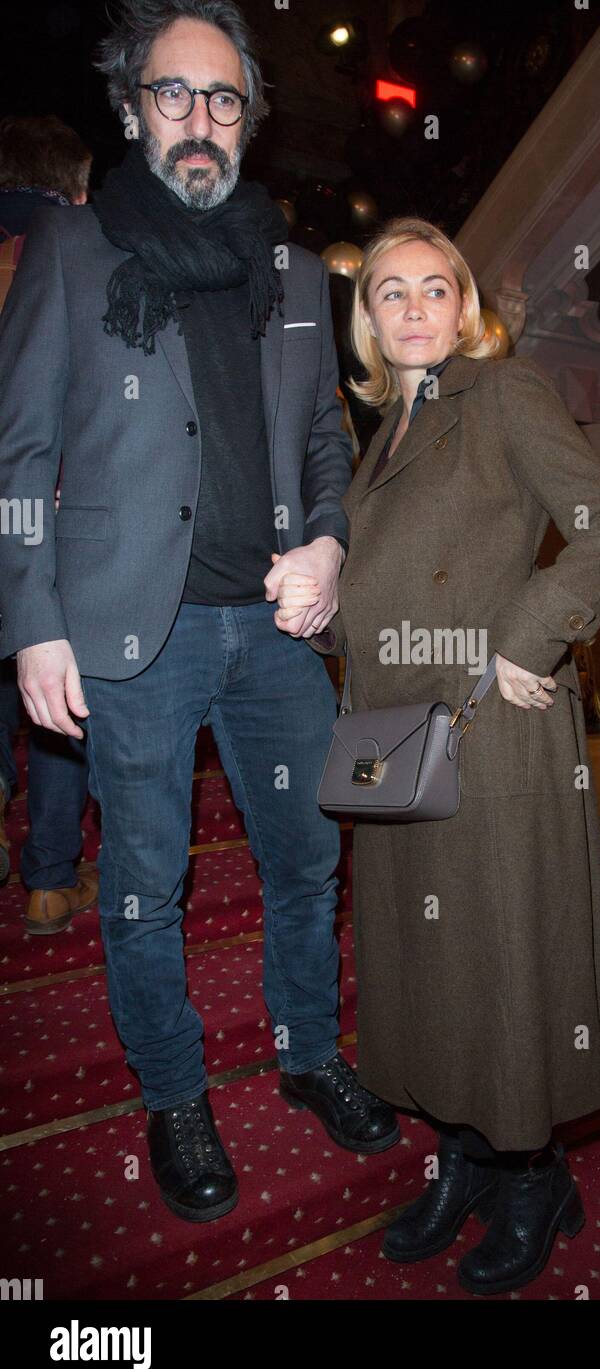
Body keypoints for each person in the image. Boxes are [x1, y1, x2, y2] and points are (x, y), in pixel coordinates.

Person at [0, 0, 399, 1225]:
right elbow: (16, 453)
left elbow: (327, 436)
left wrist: (329, 543)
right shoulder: (73, 247)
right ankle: (174, 1095)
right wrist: (32, 620)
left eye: (223, 99)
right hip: (134, 635)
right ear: (131, 105)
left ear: (248, 121)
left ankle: (304, 1049)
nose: (200, 120)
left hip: (275, 632)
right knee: (144, 882)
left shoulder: (289, 265)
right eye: (174, 93)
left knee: (304, 858)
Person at [287, 216, 600, 1295]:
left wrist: (521, 643)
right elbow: (383, 595)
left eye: (431, 288)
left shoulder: (502, 395)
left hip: (490, 733)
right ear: (367, 322)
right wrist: (320, 620)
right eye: (387, 293)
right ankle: (464, 1160)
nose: (409, 308)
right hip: (395, 740)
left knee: (501, 965)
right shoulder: (382, 433)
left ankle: (532, 1175)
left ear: (463, 305)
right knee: (428, 971)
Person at [0, 116, 96, 928]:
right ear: (75, 184)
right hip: (43, 511)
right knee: (59, 683)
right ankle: (50, 876)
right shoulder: (73, 251)